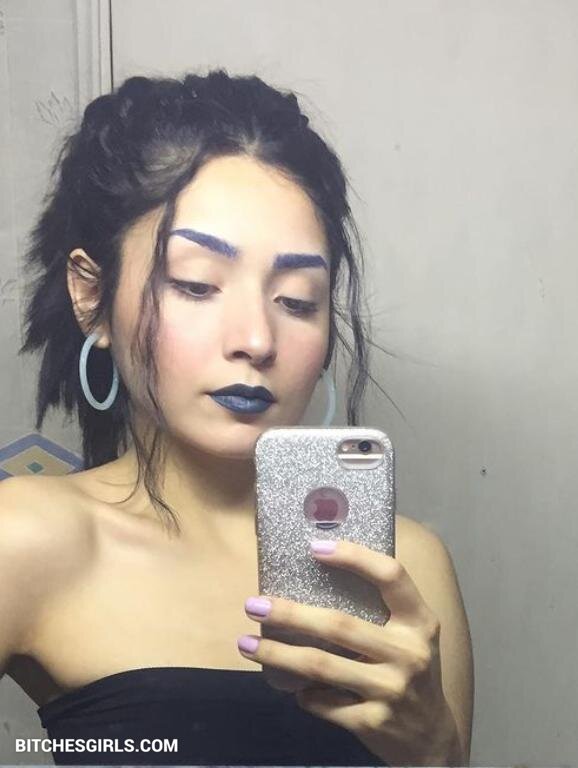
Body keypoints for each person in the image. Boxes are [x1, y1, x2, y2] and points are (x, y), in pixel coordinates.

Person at [0, 70, 473, 765]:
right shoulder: (25, 538)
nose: (256, 338)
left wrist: (434, 751)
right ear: (91, 295)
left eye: (298, 300)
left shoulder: (407, 568)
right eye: (197, 285)